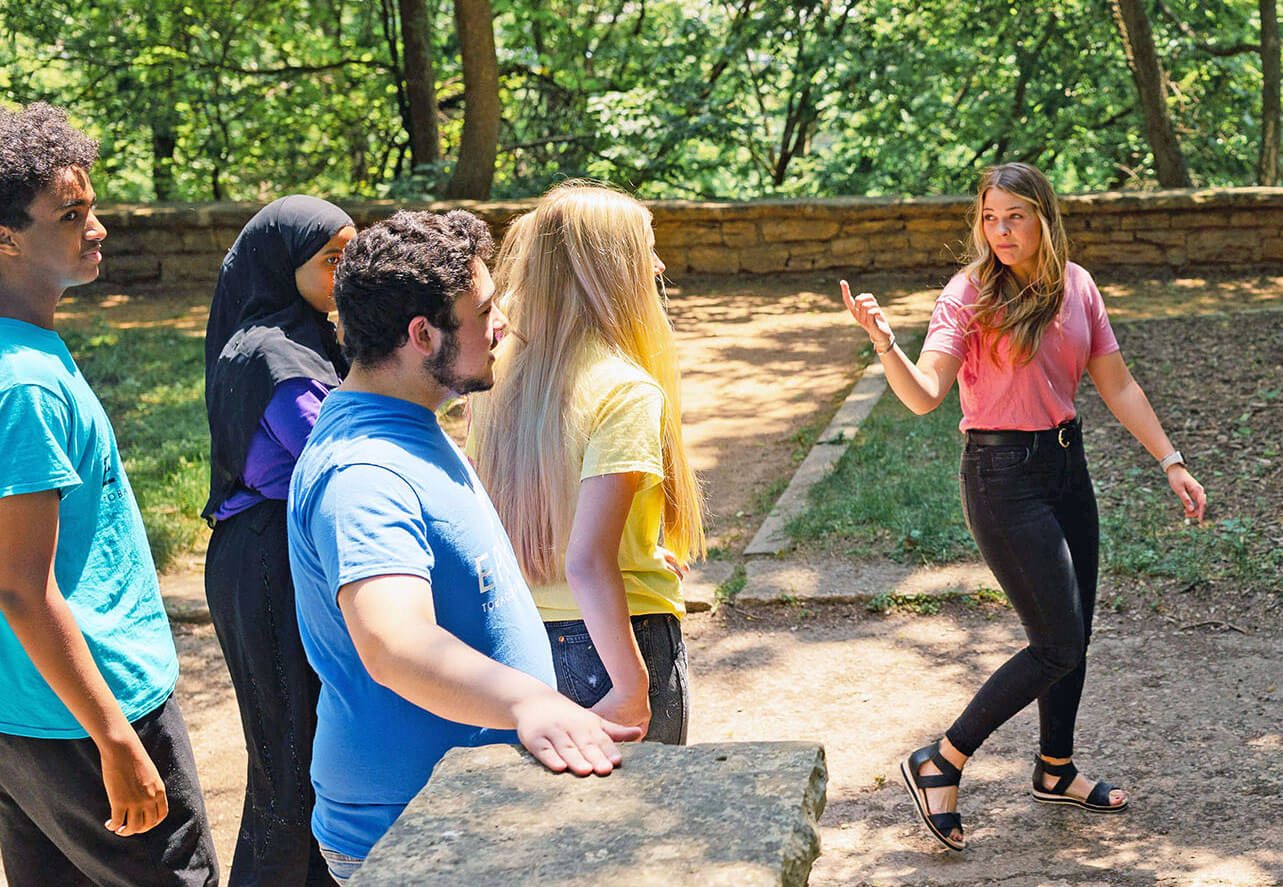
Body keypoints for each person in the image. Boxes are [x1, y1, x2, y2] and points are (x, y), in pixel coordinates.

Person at [841, 162, 1206, 852]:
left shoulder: (1075, 285)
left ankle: (1054, 768)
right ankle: (940, 759)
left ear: (1043, 217)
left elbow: (1116, 383)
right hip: (1001, 475)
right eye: (988, 217)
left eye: (1014, 216)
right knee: (1056, 642)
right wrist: (885, 342)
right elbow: (924, 394)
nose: (1000, 231)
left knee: (1074, 634)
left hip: (1067, 466)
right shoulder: (968, 293)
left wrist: (1170, 460)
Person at [286, 209, 641, 884]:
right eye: (481, 310)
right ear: (423, 335)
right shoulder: (364, 471)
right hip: (410, 829)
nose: (501, 322)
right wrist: (527, 702)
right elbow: (394, 642)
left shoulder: (407, 423)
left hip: (458, 810)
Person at [0, 102, 218, 885]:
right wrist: (116, 737)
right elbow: (22, 589)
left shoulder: (24, 350)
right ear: (5, 236)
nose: (97, 228)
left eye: (91, 207)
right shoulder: (24, 381)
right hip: (89, 708)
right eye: (70, 214)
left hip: (22, 712)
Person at [469, 182, 705, 744]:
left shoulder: (500, 378)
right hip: (616, 643)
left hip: (519, 642)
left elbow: (518, 513)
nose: (658, 264)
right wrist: (630, 687)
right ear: (610, 269)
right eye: (645, 248)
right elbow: (586, 561)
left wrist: (638, 546)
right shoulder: (625, 389)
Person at [202, 195, 356, 885]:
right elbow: (330, 449)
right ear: (282, 262)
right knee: (289, 763)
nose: (344, 272)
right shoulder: (270, 352)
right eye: (331, 259)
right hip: (264, 562)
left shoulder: (314, 334)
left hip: (293, 553)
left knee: (318, 756)